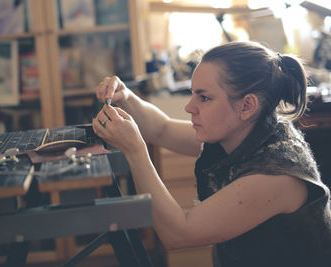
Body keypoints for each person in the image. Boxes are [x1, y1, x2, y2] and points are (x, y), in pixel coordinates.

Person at [92, 41, 331, 267]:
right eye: (193, 93)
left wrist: (135, 150)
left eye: (204, 97)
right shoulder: (250, 132)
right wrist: (126, 97)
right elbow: (161, 129)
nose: (189, 107)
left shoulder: (275, 176)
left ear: (247, 106)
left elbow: (179, 233)